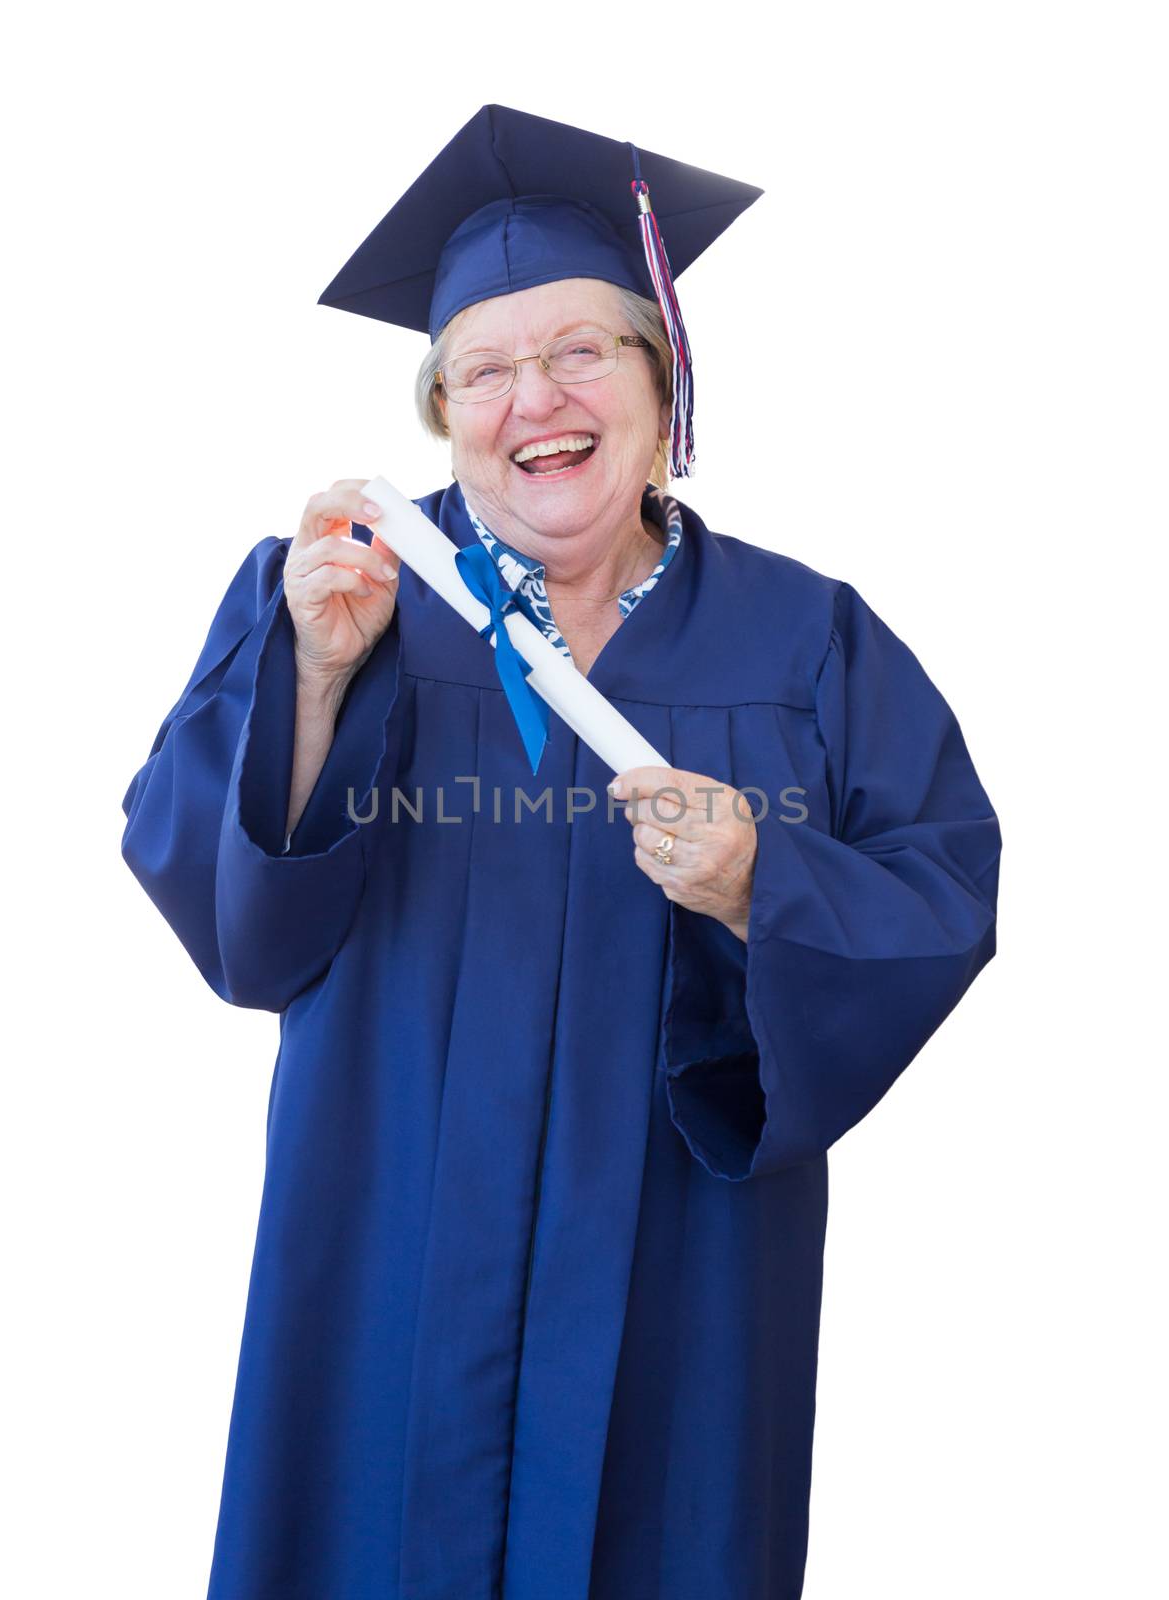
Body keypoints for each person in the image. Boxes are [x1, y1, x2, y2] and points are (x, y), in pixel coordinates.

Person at [121, 105, 1001, 1600]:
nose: (535, 394)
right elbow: (236, 931)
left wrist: (762, 886)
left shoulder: (809, 641)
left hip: (681, 1268)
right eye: (484, 368)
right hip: (387, 1232)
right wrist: (321, 680)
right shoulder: (337, 599)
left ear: (664, 393)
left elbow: (941, 892)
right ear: (444, 413)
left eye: (583, 349)